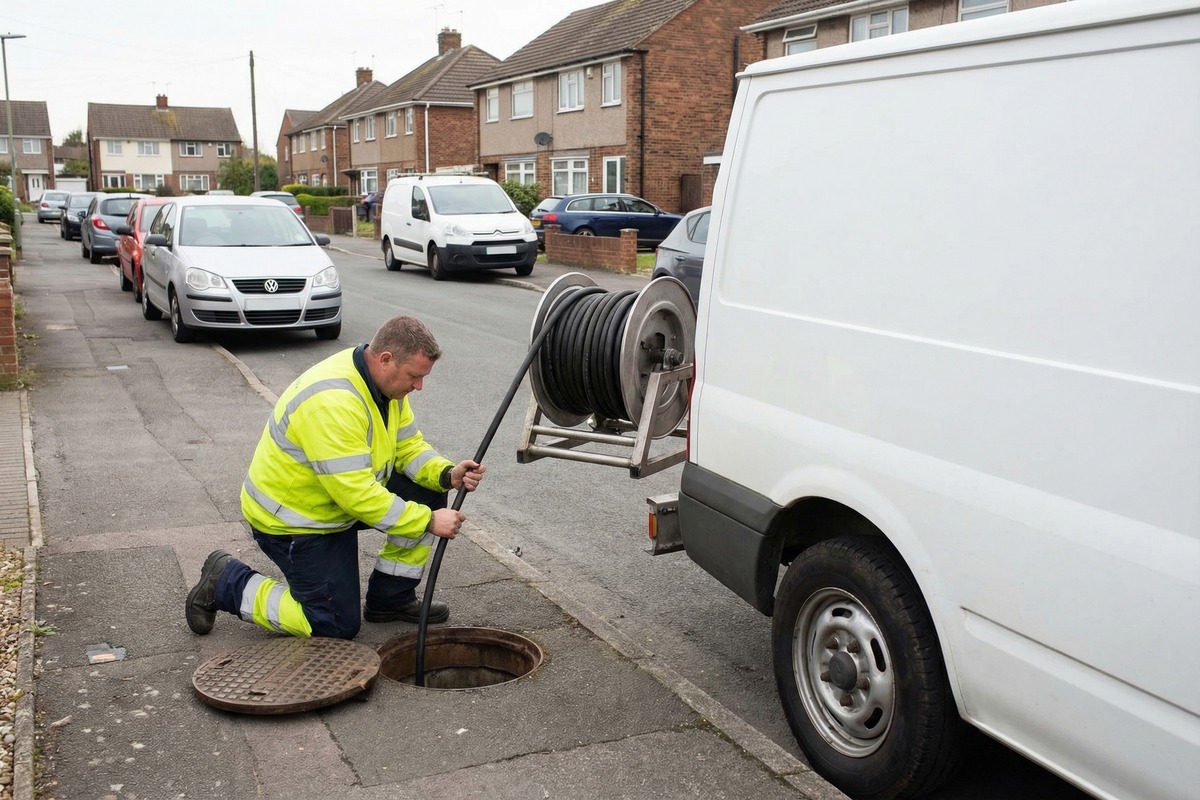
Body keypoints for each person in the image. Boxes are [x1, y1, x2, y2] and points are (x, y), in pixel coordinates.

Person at [185, 315, 485, 640]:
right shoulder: (333, 403)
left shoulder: (384, 387)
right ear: (385, 360)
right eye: (414, 376)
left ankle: (390, 599)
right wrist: (427, 521)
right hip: (296, 522)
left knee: (428, 489)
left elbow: (407, 446)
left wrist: (446, 473)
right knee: (333, 624)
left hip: (333, 504)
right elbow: (357, 496)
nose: (418, 386)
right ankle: (227, 581)